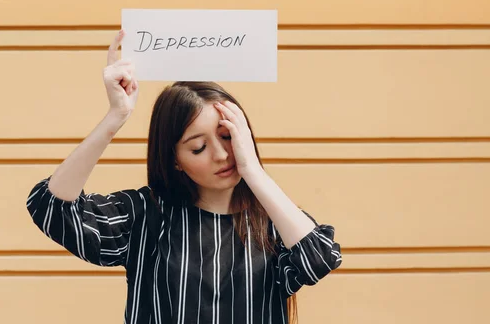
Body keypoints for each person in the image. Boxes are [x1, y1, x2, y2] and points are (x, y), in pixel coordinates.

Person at [26, 30, 342, 324]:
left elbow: (319, 256)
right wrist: (115, 117)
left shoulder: (273, 221)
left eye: (228, 136)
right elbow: (53, 209)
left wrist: (254, 172)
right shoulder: (146, 214)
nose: (221, 154)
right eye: (199, 147)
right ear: (174, 159)